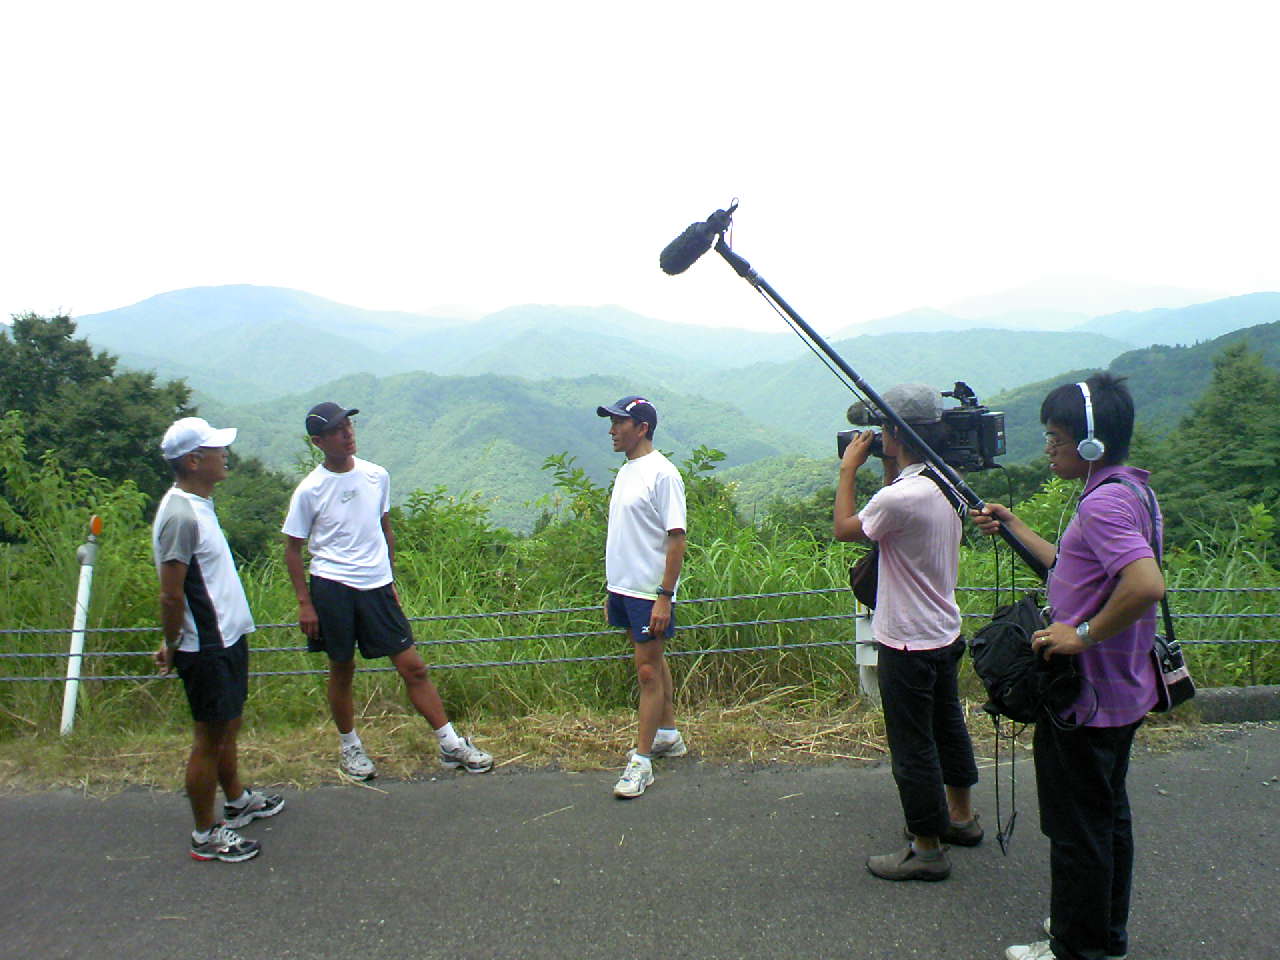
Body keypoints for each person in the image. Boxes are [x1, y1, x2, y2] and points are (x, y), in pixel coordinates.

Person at [972, 374, 1164, 960]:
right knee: (1107, 821)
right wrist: (1012, 526)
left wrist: (1080, 635)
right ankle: (1102, 935)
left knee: (1077, 832)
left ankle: (1076, 949)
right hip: (1123, 693)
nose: (1049, 448)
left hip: (1085, 699)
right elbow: (1072, 570)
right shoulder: (1129, 489)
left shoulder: (1102, 504)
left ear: (1088, 444)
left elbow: (1144, 584)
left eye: (1055, 437)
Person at [283, 402, 492, 780]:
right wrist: (305, 602)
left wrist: (390, 579)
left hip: (375, 587)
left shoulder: (377, 475)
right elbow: (293, 548)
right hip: (332, 586)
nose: (347, 433)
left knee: (412, 667)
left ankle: (450, 744)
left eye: (348, 425)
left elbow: (385, 528)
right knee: (342, 669)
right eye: (336, 430)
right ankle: (350, 747)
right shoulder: (309, 490)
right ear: (318, 441)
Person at [833, 383, 980, 882]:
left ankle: (926, 848)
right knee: (948, 726)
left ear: (895, 431)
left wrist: (849, 466)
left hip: (906, 640)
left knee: (913, 746)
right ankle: (960, 817)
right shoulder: (948, 481)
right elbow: (895, 501)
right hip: (943, 631)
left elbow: (846, 528)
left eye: (885, 429)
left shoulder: (901, 498)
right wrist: (887, 461)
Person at [153, 417, 284, 863]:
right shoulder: (179, 516)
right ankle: (205, 834)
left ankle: (236, 799)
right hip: (205, 646)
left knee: (228, 724)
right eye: (215, 449)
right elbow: (171, 593)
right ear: (194, 460)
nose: (224, 454)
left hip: (225, 638)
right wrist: (172, 644)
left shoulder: (197, 504)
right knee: (208, 737)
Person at [597, 395, 688, 799]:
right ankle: (668, 734)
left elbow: (677, 539)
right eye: (613, 423)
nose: (613, 430)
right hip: (623, 587)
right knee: (655, 661)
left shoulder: (663, 474)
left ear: (642, 428)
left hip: (648, 592)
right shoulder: (627, 471)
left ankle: (642, 761)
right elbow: (624, 536)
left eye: (619, 423)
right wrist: (610, 587)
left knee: (647, 672)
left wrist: (664, 597)